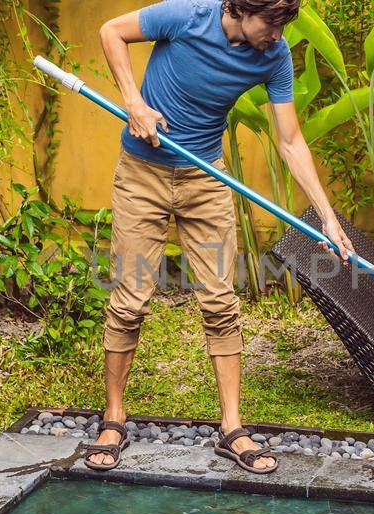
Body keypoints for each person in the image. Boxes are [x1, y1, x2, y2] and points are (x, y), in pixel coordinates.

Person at [81, 0, 355, 474]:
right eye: (271, 21)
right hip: (142, 174)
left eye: (284, 23)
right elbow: (111, 31)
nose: (277, 33)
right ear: (241, 9)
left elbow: (290, 141)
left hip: (206, 180)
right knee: (130, 299)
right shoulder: (187, 15)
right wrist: (135, 102)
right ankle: (114, 417)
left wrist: (329, 218)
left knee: (220, 301)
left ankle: (232, 427)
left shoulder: (275, 55)